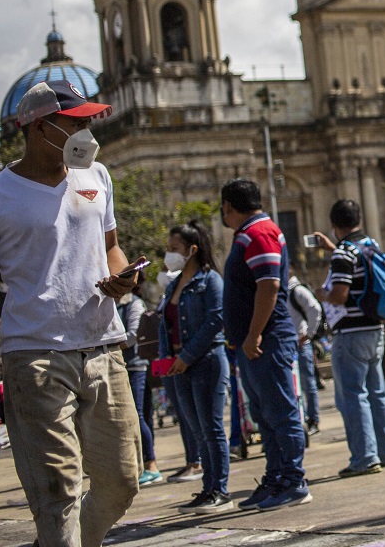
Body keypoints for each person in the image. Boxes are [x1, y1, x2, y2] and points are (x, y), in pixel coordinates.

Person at [0, 79, 141, 547]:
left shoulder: (96, 176)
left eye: (89, 121)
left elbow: (112, 249)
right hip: (34, 358)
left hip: (102, 348)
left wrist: (125, 277)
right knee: (58, 498)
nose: (89, 133)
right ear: (39, 127)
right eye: (76, 123)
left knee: (122, 481)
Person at [219, 178, 310, 512]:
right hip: (255, 343)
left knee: (280, 412)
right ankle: (276, 477)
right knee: (265, 414)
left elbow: (270, 285)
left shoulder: (260, 232)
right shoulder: (249, 233)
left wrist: (254, 333)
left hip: (266, 340)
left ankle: (294, 480)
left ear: (228, 205)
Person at [312, 200, 385, 477]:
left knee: (352, 396)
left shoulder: (343, 253)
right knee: (377, 393)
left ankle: (364, 458)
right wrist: (333, 248)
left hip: (350, 333)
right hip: (375, 328)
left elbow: (339, 294)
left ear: (335, 225)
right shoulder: (370, 246)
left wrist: (322, 294)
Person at [159, 220, 234, 514]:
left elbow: (215, 321)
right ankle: (207, 487)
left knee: (211, 427)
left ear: (192, 250)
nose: (169, 255)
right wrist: (168, 362)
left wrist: (187, 356)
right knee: (196, 429)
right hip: (178, 366)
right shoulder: (173, 284)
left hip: (206, 361)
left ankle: (220, 489)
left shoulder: (210, 280)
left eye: (174, 249)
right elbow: (166, 326)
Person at [117, 286, 162, 487]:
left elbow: (133, 335)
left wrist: (106, 343)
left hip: (136, 367)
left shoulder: (133, 303)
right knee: (139, 415)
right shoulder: (113, 304)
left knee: (137, 415)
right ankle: (142, 465)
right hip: (122, 368)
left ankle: (151, 465)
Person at [287, 273, 324, 431]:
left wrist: (308, 334)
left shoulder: (296, 291)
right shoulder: (280, 292)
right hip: (287, 346)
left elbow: (315, 309)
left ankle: (312, 419)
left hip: (301, 345)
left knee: (308, 383)